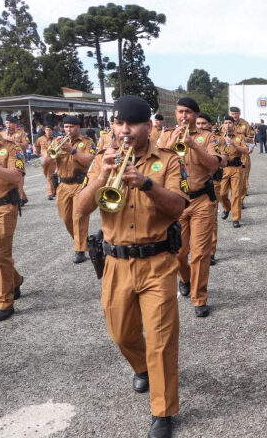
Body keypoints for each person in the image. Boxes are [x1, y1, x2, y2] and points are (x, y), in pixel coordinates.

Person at [76, 95, 188, 438]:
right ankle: (142, 367)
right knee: (121, 333)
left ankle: (163, 411)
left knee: (160, 340)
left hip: (157, 262)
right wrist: (101, 177)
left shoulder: (166, 160)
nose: (125, 130)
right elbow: (79, 209)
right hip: (115, 263)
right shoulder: (101, 160)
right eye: (119, 123)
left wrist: (147, 184)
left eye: (133, 124)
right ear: (112, 125)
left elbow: (180, 206)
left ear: (146, 126)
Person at [158, 98, 225, 317]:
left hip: (201, 201)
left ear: (196, 115)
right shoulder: (166, 135)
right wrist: (170, 144)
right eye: (180, 112)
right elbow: (156, 164)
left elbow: (214, 165)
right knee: (177, 252)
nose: (183, 116)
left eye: (187, 112)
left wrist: (192, 144)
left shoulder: (209, 138)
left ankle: (199, 298)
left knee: (199, 253)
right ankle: (184, 278)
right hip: (175, 201)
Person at [46, 115, 96, 263]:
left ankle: (79, 250)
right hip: (62, 186)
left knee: (79, 216)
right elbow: (46, 160)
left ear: (78, 127)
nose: (68, 130)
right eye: (66, 127)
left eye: (71, 127)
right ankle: (81, 241)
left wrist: (72, 151)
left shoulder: (88, 142)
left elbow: (90, 161)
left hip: (80, 184)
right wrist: (55, 148)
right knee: (66, 218)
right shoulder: (58, 141)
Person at [0, 113, 25, 322]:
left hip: (4, 206)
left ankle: (4, 302)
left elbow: (16, 176)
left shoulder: (12, 147)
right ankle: (14, 280)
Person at [196, 113, 226, 266]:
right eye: (198, 123)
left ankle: (211, 251)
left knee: (211, 220)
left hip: (211, 183)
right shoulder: (187, 137)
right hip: (190, 185)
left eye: (203, 123)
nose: (200, 126)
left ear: (210, 125)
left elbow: (223, 160)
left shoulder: (216, 140)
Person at [219, 115, 250, 228]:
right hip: (223, 168)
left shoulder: (240, 137)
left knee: (236, 194)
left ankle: (235, 218)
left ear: (233, 124)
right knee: (221, 193)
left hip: (236, 168)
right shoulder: (218, 137)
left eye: (229, 123)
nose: (227, 125)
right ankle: (227, 208)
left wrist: (234, 144)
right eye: (225, 122)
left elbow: (246, 150)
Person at [229, 107, 254, 208]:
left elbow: (251, 139)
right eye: (232, 114)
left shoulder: (245, 124)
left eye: (236, 114)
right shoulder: (226, 124)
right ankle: (235, 197)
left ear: (239, 114)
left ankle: (241, 200)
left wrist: (241, 138)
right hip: (231, 156)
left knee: (244, 179)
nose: (234, 116)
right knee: (232, 179)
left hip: (243, 155)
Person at [3, 116, 29, 206]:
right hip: (6, 159)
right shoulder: (2, 133)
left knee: (19, 179)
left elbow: (26, 146)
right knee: (10, 180)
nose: (8, 125)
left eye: (10, 123)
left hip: (19, 158)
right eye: (6, 123)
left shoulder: (21, 133)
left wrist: (14, 142)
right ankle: (23, 197)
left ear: (14, 124)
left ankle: (18, 200)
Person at [34, 125, 57, 200]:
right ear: (44, 130)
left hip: (52, 160)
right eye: (47, 130)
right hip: (42, 159)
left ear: (52, 131)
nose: (48, 131)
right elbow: (35, 145)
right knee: (46, 176)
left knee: (49, 176)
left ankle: (49, 193)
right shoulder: (40, 138)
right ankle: (54, 190)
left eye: (50, 130)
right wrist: (35, 151)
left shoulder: (55, 139)